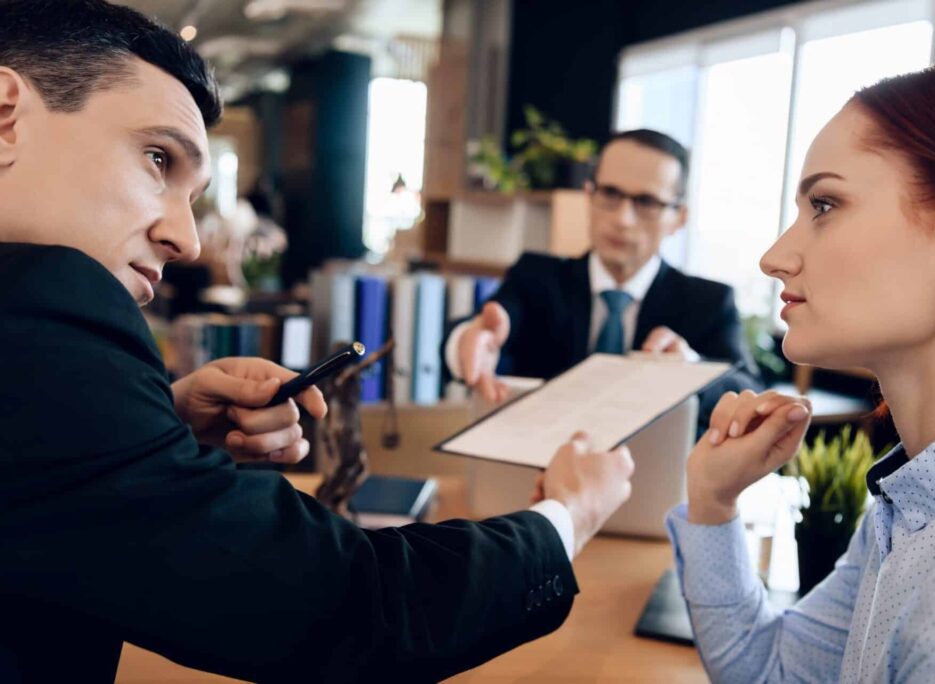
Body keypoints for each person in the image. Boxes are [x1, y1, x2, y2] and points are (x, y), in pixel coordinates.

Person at [0, 2, 635, 682]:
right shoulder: (45, 302)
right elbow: (349, 602)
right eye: (158, 158)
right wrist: (567, 516)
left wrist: (158, 427)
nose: (186, 240)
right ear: (7, 112)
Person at [669, 63, 935, 682]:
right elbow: (773, 674)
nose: (775, 257)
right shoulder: (922, 502)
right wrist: (712, 502)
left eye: (825, 204)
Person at [444, 129, 762, 427]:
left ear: (679, 218)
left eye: (646, 202)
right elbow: (480, 329)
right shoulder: (536, 278)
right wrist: (467, 342)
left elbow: (750, 393)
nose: (622, 219)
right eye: (610, 193)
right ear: (589, 195)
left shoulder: (707, 302)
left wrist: (691, 370)